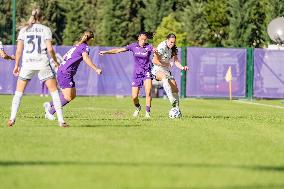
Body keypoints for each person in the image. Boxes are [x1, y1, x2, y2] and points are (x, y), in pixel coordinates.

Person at [7, 8, 68, 127]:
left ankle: (12, 118)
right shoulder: (46, 29)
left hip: (27, 63)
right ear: (42, 18)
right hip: (42, 63)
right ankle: (61, 121)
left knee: (18, 93)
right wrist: (56, 62)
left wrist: (16, 65)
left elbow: (19, 50)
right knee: (54, 93)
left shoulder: (24, 30)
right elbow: (50, 49)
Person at [43, 31, 102, 120]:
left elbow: (64, 57)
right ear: (92, 39)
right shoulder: (84, 47)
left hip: (64, 71)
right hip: (65, 73)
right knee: (68, 97)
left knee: (72, 95)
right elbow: (86, 58)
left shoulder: (77, 45)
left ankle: (50, 104)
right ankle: (50, 112)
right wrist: (96, 69)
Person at [99, 32, 154, 118]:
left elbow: (157, 51)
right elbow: (118, 50)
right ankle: (138, 107)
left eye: (145, 39)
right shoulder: (133, 46)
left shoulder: (149, 47)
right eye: (142, 39)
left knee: (148, 93)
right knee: (134, 96)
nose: (143, 41)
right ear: (138, 38)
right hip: (137, 74)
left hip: (147, 72)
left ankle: (147, 113)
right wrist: (106, 52)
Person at [152, 33, 189, 110]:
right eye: (171, 42)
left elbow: (176, 61)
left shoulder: (173, 49)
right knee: (164, 77)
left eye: (174, 42)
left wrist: (182, 67)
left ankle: (176, 109)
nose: (172, 44)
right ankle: (171, 100)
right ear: (167, 40)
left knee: (175, 87)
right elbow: (154, 61)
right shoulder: (161, 47)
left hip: (166, 69)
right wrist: (167, 63)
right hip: (157, 69)